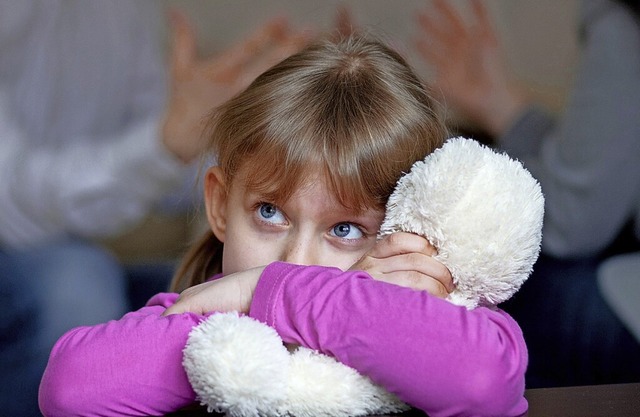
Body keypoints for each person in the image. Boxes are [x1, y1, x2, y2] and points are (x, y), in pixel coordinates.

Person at [39, 34, 529, 417]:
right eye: (269, 213)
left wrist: (284, 294)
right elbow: (68, 390)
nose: (295, 262)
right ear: (218, 205)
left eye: (345, 230)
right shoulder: (204, 317)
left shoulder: (434, 312)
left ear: (408, 228)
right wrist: (254, 302)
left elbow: (484, 382)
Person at [0, 1, 304, 416]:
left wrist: (236, 132)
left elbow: (164, 174)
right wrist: (168, 142)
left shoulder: (124, 11)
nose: (303, 261)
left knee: (190, 284)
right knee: (77, 282)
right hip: (28, 243)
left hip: (81, 249)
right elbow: (15, 212)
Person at [414, 0, 640, 387]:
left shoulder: (619, 19)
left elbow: (573, 221)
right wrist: (503, 108)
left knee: (498, 291)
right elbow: (602, 176)